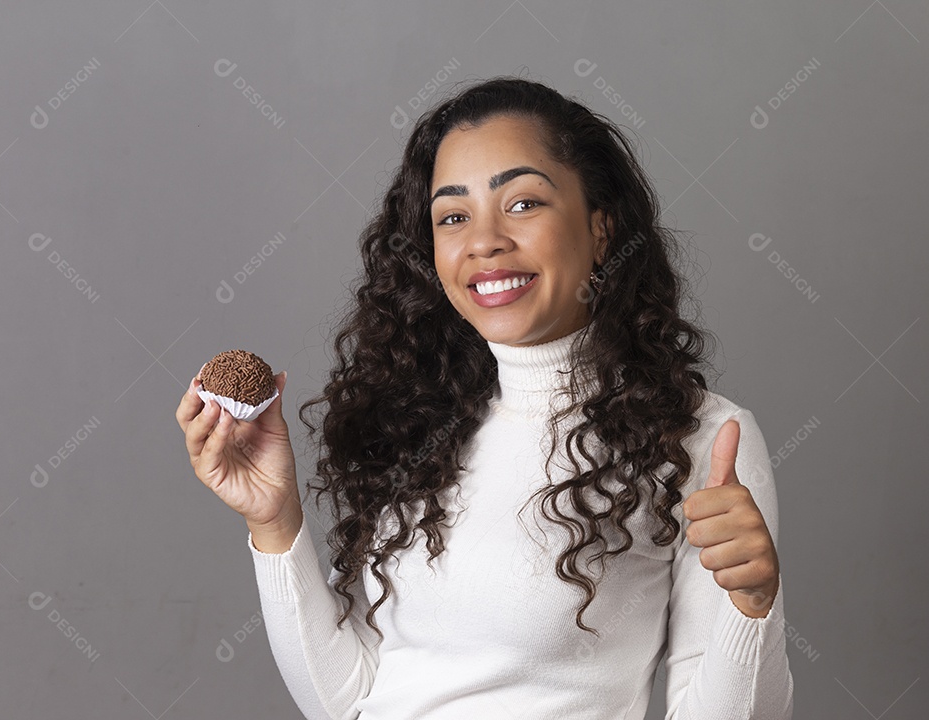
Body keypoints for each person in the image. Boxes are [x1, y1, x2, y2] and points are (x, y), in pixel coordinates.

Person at [176, 75, 793, 719]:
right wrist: (273, 523)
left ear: (602, 229)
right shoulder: (418, 425)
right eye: (453, 216)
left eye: (523, 203)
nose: (483, 241)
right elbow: (350, 702)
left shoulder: (700, 440)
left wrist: (752, 607)